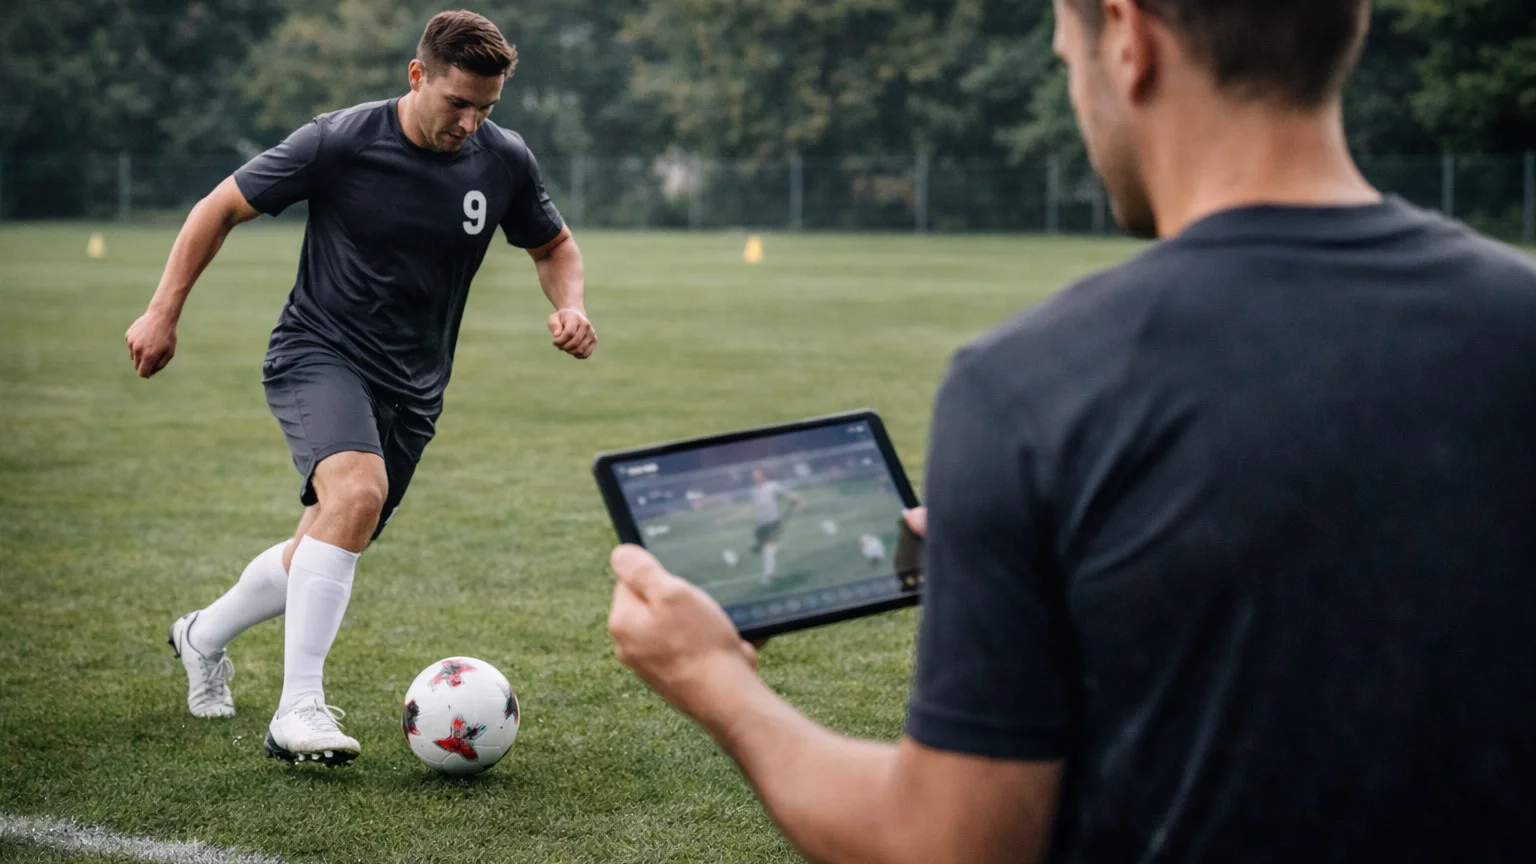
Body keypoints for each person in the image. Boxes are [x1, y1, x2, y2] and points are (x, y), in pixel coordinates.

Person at [605, 0, 1536, 860]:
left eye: (1064, 59)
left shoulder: (1031, 387)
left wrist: (718, 683)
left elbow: (948, 844)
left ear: (1128, 38)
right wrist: (1037, 570)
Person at [125, 10, 595, 766]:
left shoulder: (503, 158)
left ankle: (201, 635)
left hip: (416, 385)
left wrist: (571, 305)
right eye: (458, 103)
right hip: (319, 351)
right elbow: (219, 208)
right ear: (417, 76)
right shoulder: (340, 140)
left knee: (331, 535)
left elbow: (554, 245)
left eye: (486, 108)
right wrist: (161, 312)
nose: (470, 123)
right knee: (357, 494)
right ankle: (297, 710)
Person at [747, 468, 800, 585]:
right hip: (760, 523)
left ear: (763, 476)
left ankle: (768, 575)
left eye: (757, 476)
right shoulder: (754, 491)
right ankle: (774, 548)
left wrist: (793, 499)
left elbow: (787, 494)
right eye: (754, 477)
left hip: (772, 521)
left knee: (769, 547)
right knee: (754, 547)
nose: (755, 478)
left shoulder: (773, 486)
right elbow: (752, 506)